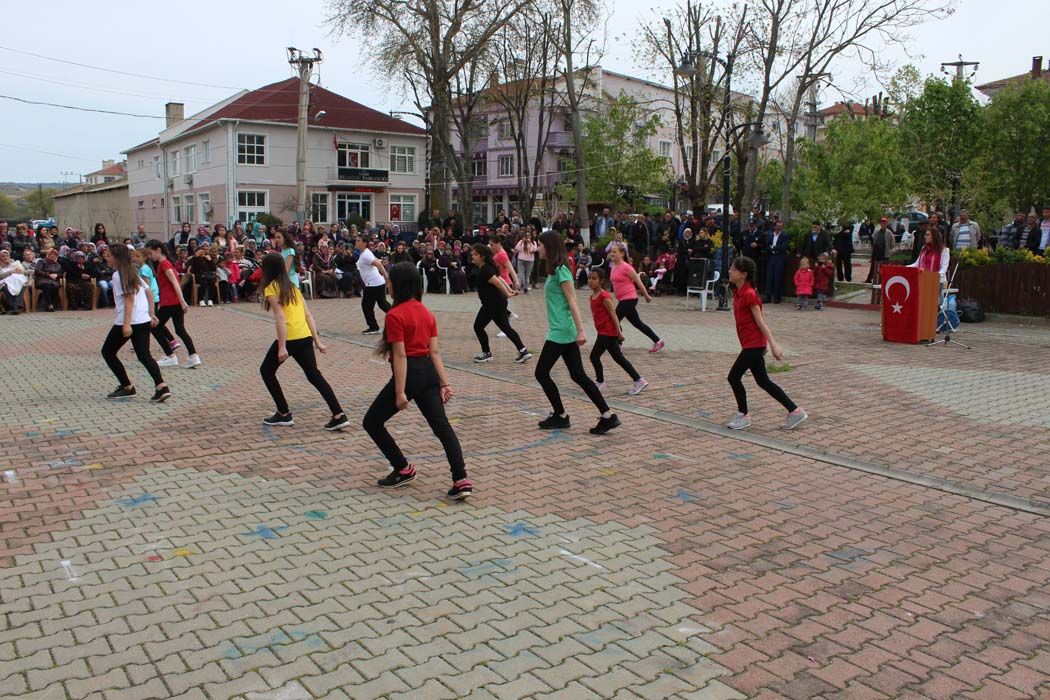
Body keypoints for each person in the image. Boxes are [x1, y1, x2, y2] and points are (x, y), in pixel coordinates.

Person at [362, 262, 473, 499]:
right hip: (428, 373)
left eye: (389, 281)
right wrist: (445, 382)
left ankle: (402, 468)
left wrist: (401, 392)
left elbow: (400, 356)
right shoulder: (426, 313)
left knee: (371, 422)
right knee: (442, 428)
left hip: (410, 373)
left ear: (398, 285)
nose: (387, 284)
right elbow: (434, 353)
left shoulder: (394, 315)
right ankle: (461, 479)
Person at [534, 231, 621, 435]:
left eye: (540, 245)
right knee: (578, 375)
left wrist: (581, 331)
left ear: (550, 247)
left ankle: (561, 416)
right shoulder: (555, 271)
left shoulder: (562, 271)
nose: (538, 248)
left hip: (561, 331)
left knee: (541, 373)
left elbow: (572, 301)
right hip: (562, 330)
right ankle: (608, 415)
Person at [257, 253, 349, 431]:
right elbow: (308, 315)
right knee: (314, 375)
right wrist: (317, 341)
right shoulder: (293, 287)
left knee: (266, 371)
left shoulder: (271, 288)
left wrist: (282, 346)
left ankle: (283, 413)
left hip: (290, 337)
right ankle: (339, 414)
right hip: (304, 336)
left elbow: (281, 318)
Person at [725, 256, 806, 431]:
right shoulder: (739, 292)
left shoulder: (749, 294)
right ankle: (795, 411)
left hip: (754, 345)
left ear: (743, 274)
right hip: (750, 344)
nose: (730, 271)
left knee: (733, 377)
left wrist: (774, 345)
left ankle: (743, 415)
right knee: (763, 381)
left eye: (734, 269)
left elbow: (761, 322)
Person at [100, 244, 171, 402]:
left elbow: (129, 299)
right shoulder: (133, 272)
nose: (107, 258)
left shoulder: (118, 275)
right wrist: (151, 314)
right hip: (142, 319)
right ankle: (161, 387)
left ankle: (127, 387)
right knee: (144, 355)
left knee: (108, 352)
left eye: (109, 255)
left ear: (117, 258)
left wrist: (126, 325)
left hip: (128, 320)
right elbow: (149, 292)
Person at [587, 268, 647, 395]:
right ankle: (639, 380)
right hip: (603, 331)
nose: (591, 281)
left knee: (594, 356)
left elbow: (613, 315)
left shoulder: (604, 296)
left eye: (594, 278)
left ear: (601, 281)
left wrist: (619, 333)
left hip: (607, 332)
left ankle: (600, 382)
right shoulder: (592, 296)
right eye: (589, 278)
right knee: (619, 358)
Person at [470, 243, 531, 364]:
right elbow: (500, 279)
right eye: (472, 254)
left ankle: (487, 353)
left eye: (475, 254)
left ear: (482, 256)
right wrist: (509, 290)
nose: (473, 256)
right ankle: (523, 351)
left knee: (478, 326)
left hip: (492, 304)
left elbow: (498, 283)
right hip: (495, 303)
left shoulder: (485, 270)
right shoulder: (487, 267)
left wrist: (508, 293)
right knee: (506, 328)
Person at [145, 240, 201, 370]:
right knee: (180, 330)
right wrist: (180, 301)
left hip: (169, 302)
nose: (149, 256)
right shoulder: (164, 264)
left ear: (158, 250)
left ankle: (170, 356)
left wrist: (182, 301)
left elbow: (175, 283)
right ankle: (193, 356)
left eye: (150, 253)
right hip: (173, 302)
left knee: (154, 327)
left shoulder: (164, 264)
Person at [608, 242, 664, 352]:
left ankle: (618, 344)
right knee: (637, 323)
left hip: (629, 298)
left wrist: (646, 295)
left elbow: (638, 282)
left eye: (614, 252)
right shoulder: (613, 266)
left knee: (614, 319)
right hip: (623, 299)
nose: (612, 254)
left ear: (622, 253)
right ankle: (658, 341)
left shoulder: (626, 267)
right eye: (611, 252)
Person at [355, 234, 391, 334]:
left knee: (366, 306)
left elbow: (379, 264)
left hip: (373, 284)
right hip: (376, 283)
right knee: (382, 304)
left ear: (364, 243)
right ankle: (400, 318)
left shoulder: (366, 254)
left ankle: (374, 327)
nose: (356, 242)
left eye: (358, 241)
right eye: (356, 240)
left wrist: (386, 276)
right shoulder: (365, 253)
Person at [763, 221, 788, 304]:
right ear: (775, 227)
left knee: (778, 278)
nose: (779, 228)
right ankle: (768, 297)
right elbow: (767, 245)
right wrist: (772, 248)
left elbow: (782, 247)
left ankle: (777, 297)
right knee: (769, 278)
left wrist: (773, 248)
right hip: (771, 257)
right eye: (778, 226)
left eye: (781, 226)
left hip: (779, 258)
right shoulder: (770, 235)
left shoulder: (784, 235)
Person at [866, 217, 895, 284]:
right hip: (876, 251)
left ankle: (883, 280)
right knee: (873, 266)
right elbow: (874, 241)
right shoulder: (876, 232)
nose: (883, 224)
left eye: (884, 222)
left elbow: (892, 244)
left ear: (887, 223)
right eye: (882, 222)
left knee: (884, 267)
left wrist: (888, 248)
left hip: (884, 252)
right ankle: (869, 279)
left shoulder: (889, 233)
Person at [34, 247, 64, 312]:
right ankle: (49, 304)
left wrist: (57, 275)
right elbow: (37, 271)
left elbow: (61, 274)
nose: (53, 256)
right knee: (46, 285)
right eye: (51, 254)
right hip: (43, 279)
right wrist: (49, 275)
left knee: (56, 287)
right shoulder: (42, 261)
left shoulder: (58, 265)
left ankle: (52, 304)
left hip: (54, 281)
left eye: (55, 255)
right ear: (48, 255)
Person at [0, 249, 27, 314]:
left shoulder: (14, 263)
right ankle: (14, 306)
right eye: (3, 256)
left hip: (16, 281)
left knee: (22, 285)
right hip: (3, 282)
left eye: (7, 256)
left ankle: (14, 306)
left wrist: (28, 272)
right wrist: (11, 272)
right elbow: (0, 276)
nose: (5, 257)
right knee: (6, 287)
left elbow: (23, 272)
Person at [513, 229, 538, 293]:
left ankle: (525, 288)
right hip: (521, 260)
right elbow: (517, 248)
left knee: (527, 275)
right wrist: (522, 242)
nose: (527, 237)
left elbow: (534, 250)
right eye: (526, 235)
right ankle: (518, 288)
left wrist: (530, 243)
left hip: (530, 261)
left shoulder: (534, 242)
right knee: (520, 275)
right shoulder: (521, 241)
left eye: (529, 235)